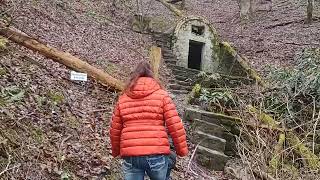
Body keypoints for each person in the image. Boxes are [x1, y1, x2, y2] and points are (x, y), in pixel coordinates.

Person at [109, 61, 188, 180]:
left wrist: (115, 151)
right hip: (156, 153)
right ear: (151, 75)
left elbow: (115, 130)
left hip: (131, 155)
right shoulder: (162, 95)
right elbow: (175, 125)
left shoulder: (123, 98)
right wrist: (181, 150)